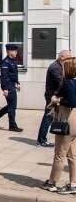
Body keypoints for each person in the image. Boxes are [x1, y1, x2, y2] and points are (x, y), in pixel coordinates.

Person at [41, 57, 76, 194]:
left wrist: (58, 100)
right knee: (72, 155)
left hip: (68, 118)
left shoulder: (68, 83)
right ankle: (73, 184)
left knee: (60, 153)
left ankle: (52, 182)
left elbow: (72, 102)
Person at [38, 50, 70, 147]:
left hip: (56, 95)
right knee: (48, 117)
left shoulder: (60, 66)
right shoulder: (55, 67)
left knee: (52, 117)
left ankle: (44, 138)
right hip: (52, 96)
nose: (69, 60)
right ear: (61, 57)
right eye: (67, 58)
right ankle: (41, 140)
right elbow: (61, 81)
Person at [0, 43, 23, 132]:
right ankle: (12, 125)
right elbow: (4, 76)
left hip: (12, 84)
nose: (16, 53)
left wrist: (17, 83)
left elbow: (14, 74)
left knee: (11, 105)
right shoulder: (5, 62)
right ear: (9, 52)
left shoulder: (13, 61)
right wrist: (5, 88)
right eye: (15, 51)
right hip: (8, 85)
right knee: (12, 106)